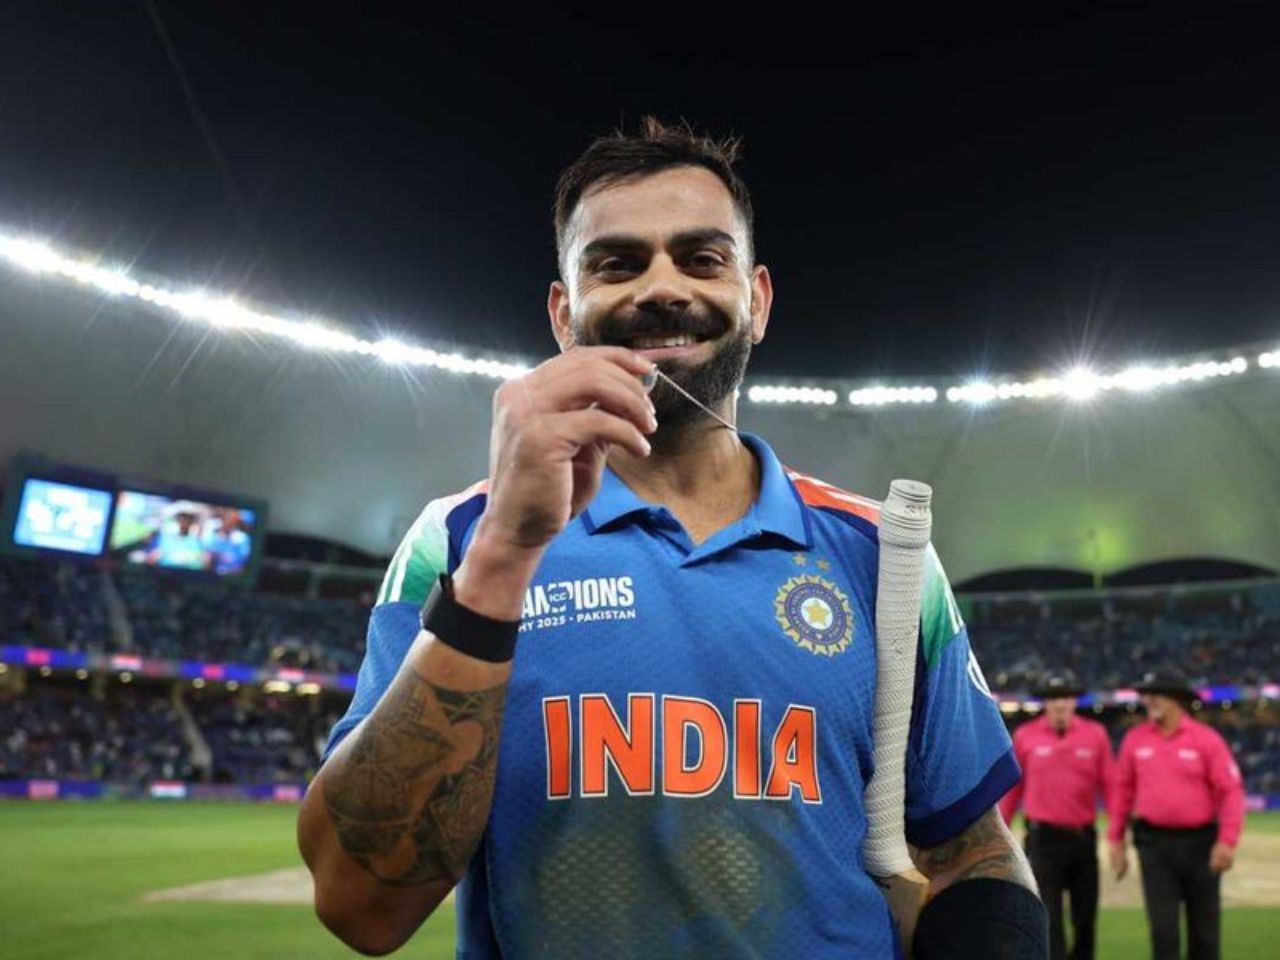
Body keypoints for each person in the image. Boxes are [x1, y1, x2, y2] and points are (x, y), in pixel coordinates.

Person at [298, 119, 1046, 958]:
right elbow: (361, 904)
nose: (662, 288)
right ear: (563, 314)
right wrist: (505, 554)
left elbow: (969, 855)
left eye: (701, 258)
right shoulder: (460, 538)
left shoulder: (882, 556)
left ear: (757, 301)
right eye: (617, 263)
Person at [1108, 669, 1245, 960]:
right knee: (1163, 932)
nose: (1149, 700)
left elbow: (1230, 791)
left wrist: (1227, 841)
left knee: (1204, 934)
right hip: (1154, 846)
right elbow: (1122, 791)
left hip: (1201, 846)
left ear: (1177, 699)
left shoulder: (1206, 739)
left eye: (1157, 694)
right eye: (1147, 694)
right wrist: (1116, 839)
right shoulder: (1135, 740)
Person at [1000, 670, 1113, 960]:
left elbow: (1110, 786)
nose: (1060, 704)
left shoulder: (1095, 735)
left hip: (1083, 839)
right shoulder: (1025, 736)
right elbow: (1012, 790)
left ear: (1074, 701)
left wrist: (1117, 834)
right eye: (1053, 699)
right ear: (1045, 703)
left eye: (1065, 697)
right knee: (1048, 918)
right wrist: (1001, 833)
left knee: (1085, 919)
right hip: (1043, 841)